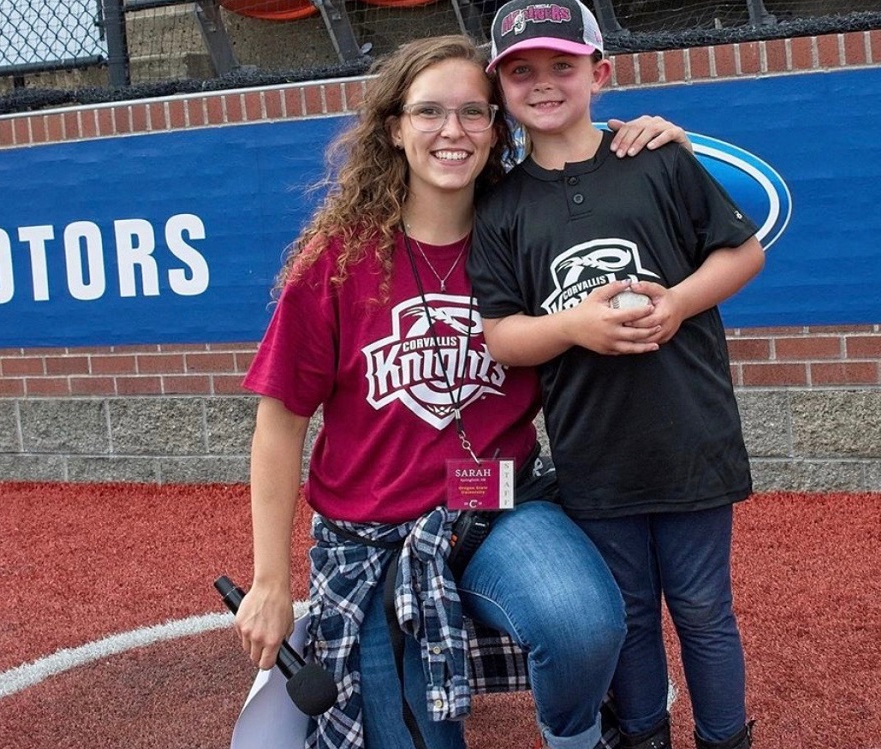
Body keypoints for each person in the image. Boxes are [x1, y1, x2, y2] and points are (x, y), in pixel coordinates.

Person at [233, 34, 691, 749]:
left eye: (474, 113)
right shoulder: (338, 260)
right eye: (429, 112)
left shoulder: (525, 230)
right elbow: (280, 425)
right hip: (373, 533)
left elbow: (608, 187)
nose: (453, 131)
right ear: (394, 127)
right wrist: (269, 580)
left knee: (583, 621)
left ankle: (576, 737)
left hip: (491, 504)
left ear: (495, 128)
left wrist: (655, 143)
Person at [467, 3, 766, 749]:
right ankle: (641, 735)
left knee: (702, 608)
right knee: (627, 613)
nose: (543, 84)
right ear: (499, 86)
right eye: (522, 71)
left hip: (691, 436)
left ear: (599, 73)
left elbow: (743, 252)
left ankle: (725, 736)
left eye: (562, 66)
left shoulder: (657, 158)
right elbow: (501, 334)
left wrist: (677, 305)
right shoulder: (502, 207)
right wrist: (573, 326)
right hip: (594, 453)